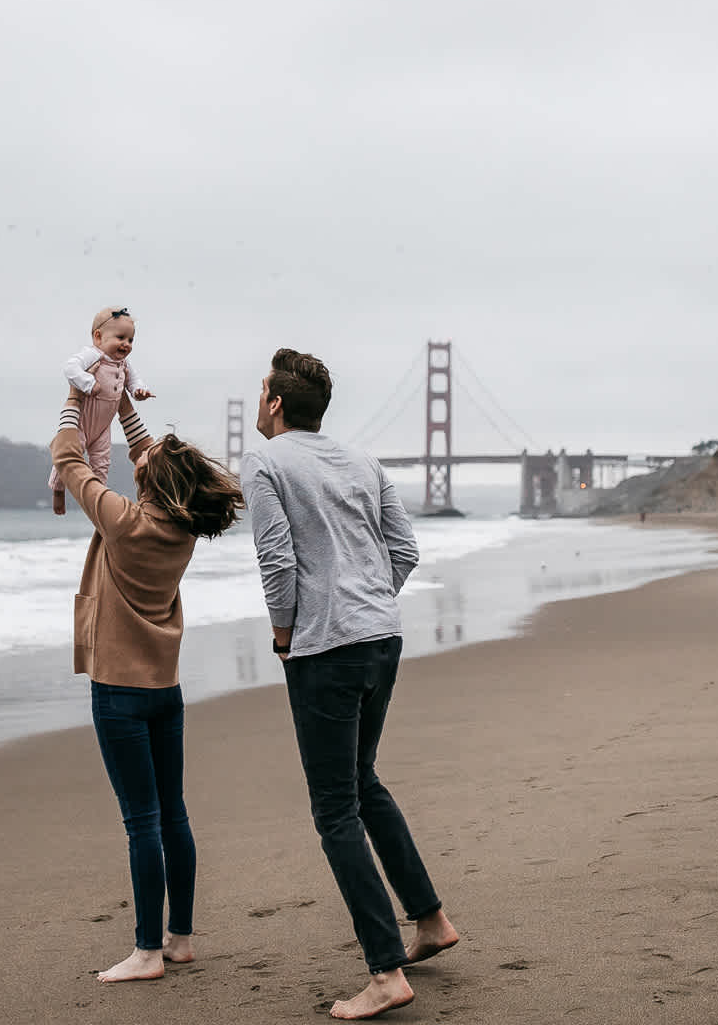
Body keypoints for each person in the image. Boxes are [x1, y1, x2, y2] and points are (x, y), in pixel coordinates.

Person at [241, 348, 459, 1021]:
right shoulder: (364, 461)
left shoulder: (265, 462)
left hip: (326, 651)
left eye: (261, 391)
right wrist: (368, 603)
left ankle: (385, 972)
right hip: (382, 638)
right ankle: (430, 920)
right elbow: (406, 550)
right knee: (362, 782)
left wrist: (286, 636)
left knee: (335, 808)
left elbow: (277, 560)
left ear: (276, 403)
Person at [52, 385, 243, 983]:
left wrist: (76, 396)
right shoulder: (181, 529)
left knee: (140, 823)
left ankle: (145, 952)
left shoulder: (123, 521)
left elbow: (68, 457)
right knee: (172, 815)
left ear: (149, 483)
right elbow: (147, 456)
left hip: (119, 693)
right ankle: (178, 939)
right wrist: (120, 401)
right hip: (165, 690)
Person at [49, 306, 154, 515]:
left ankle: (98, 504)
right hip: (83, 420)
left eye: (131, 340)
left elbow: (134, 381)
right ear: (98, 337)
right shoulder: (92, 355)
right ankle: (58, 490)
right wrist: (88, 383)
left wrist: (139, 391)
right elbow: (70, 368)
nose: (126, 344)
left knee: (102, 464)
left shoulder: (124, 364)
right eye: (120, 338)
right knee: (70, 456)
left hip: (104, 426)